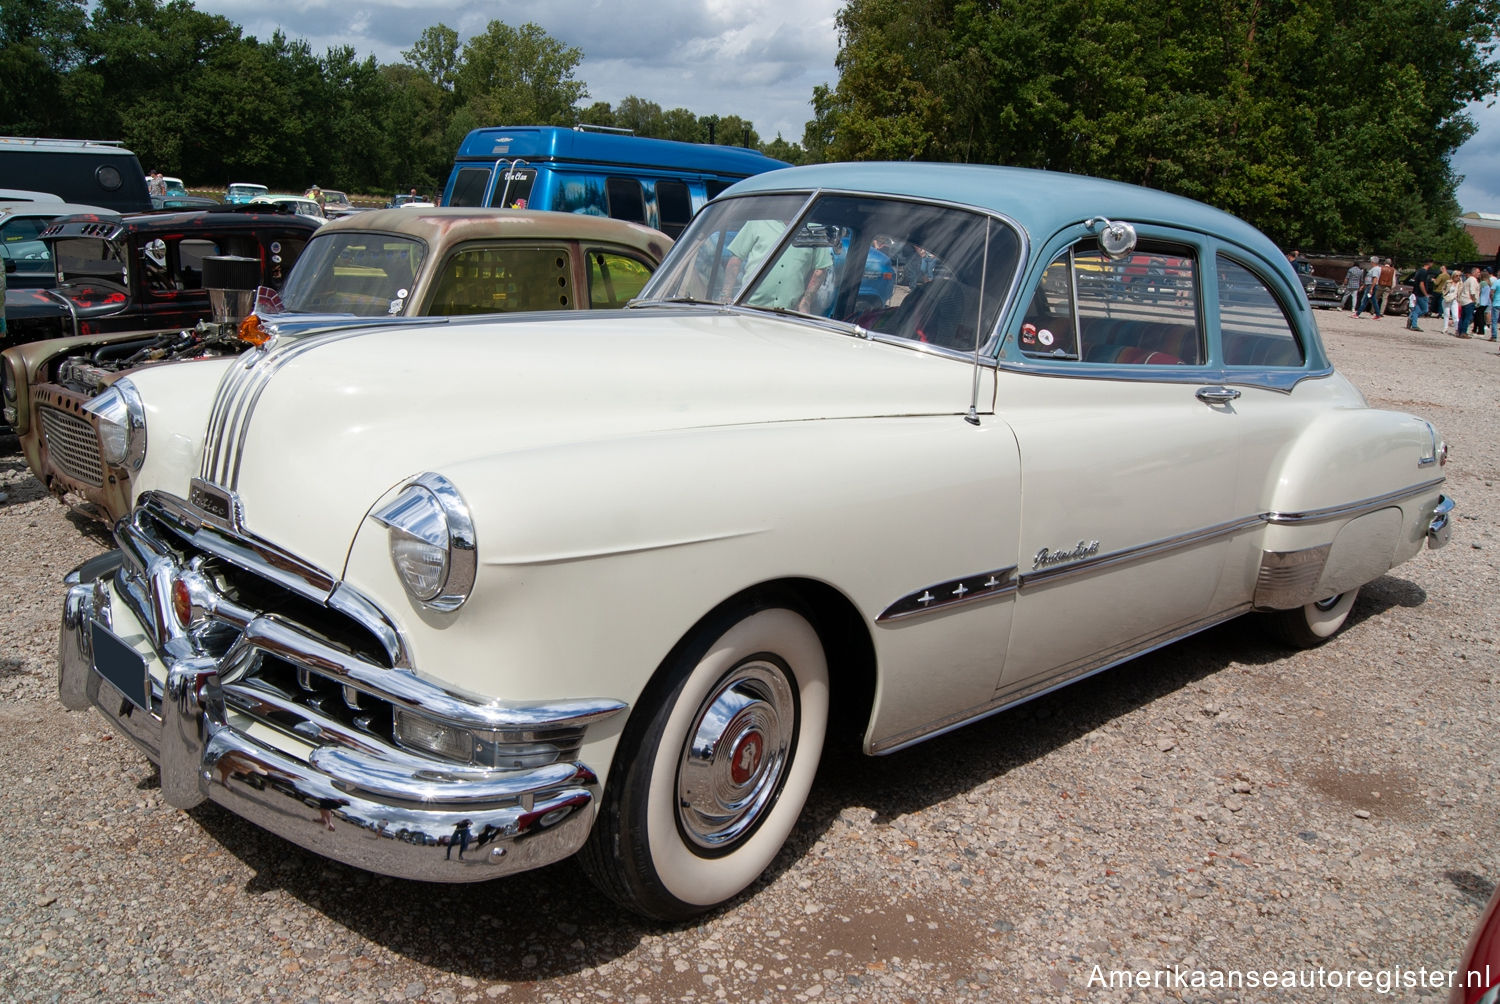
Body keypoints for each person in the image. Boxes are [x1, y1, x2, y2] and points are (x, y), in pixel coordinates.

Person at [719, 218, 833, 313]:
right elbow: (735, 260)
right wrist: (725, 296)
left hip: (789, 314)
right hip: (748, 309)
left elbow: (821, 269)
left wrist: (805, 301)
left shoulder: (815, 229)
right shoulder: (758, 221)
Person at [1407, 258, 1432, 331]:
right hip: (1421, 294)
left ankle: (1414, 324)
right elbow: (1421, 284)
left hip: (1416, 292)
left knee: (1416, 309)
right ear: (1429, 263)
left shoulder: (1418, 271)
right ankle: (1412, 318)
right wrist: (1425, 294)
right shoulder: (1424, 272)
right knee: (1425, 310)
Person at [1456, 266, 1478, 337]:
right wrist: (1474, 299)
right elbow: (1472, 291)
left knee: (1462, 317)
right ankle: (1463, 332)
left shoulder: (1468, 279)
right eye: (1478, 272)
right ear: (1473, 273)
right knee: (1467, 317)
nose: (1479, 274)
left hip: (1464, 300)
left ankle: (1459, 331)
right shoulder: (1473, 280)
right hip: (1469, 300)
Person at [1441, 265, 1461, 334]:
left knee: (1455, 315)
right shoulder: (1448, 282)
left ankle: (1457, 329)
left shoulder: (1460, 284)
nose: (1458, 277)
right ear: (1453, 276)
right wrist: (1444, 295)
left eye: (1459, 276)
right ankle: (1445, 328)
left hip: (1455, 300)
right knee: (1446, 314)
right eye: (1457, 276)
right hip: (1447, 299)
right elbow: (1443, 289)